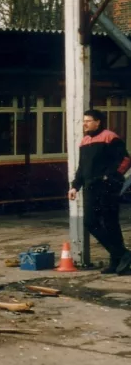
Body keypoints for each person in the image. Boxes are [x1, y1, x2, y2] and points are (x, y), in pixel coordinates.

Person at [68, 109, 131, 274]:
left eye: (88, 121)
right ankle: (122, 254)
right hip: (90, 188)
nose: (85, 124)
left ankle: (117, 262)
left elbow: (125, 159)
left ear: (98, 122)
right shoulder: (85, 141)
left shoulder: (110, 137)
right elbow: (82, 168)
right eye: (84, 121)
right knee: (90, 222)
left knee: (110, 223)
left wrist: (110, 178)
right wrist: (75, 186)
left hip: (107, 188)